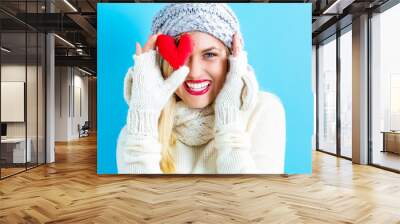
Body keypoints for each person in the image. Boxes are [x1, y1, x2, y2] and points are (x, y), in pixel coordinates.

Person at [117, 3, 286, 174]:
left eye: (210, 55)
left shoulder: (263, 110)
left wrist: (229, 120)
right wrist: (143, 122)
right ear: (162, 63)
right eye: (184, 57)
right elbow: (139, 199)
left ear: (232, 60)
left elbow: (255, 198)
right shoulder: (137, 131)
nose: (195, 73)